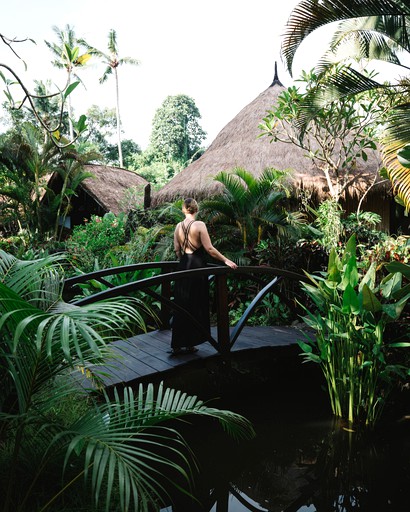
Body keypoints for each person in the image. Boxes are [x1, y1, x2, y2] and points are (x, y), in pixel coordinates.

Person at [170, 198, 237, 356]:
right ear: (196, 209)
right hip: (197, 267)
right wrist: (226, 260)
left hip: (183, 266)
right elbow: (209, 249)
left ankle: (177, 344)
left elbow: (176, 250)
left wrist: (183, 261)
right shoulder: (199, 225)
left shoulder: (178, 226)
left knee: (181, 304)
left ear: (184, 210)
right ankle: (191, 343)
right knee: (196, 303)